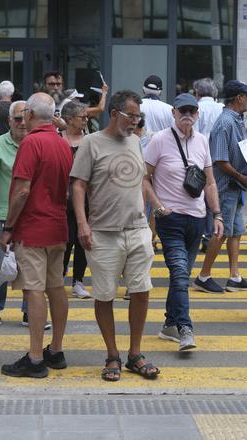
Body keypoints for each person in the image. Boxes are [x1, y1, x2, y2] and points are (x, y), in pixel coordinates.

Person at [71, 90, 160, 381]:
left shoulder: (135, 141)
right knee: (104, 295)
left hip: (137, 229)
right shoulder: (91, 143)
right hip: (103, 232)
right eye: (130, 116)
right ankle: (112, 354)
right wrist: (83, 225)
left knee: (141, 291)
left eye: (138, 117)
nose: (135, 122)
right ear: (114, 114)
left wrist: (154, 215)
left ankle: (135, 353)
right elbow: (79, 186)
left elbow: (142, 180)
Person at [0, 93, 73, 378]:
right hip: (57, 227)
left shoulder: (31, 142)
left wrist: (8, 228)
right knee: (56, 288)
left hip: (32, 228)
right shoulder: (61, 143)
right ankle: (56, 349)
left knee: (33, 291)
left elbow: (21, 191)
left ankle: (34, 356)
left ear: (29, 114)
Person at [144, 93, 223, 351]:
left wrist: (217, 215)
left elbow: (210, 181)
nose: (187, 114)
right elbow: (144, 178)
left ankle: (169, 324)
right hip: (171, 219)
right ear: (174, 113)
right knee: (179, 274)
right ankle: (185, 328)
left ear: (198, 114)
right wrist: (157, 207)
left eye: (192, 110)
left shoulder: (202, 141)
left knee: (182, 276)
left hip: (197, 219)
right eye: (182, 110)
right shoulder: (159, 140)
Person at [193, 80, 247, 293]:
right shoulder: (225, 123)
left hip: (236, 185)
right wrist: (242, 177)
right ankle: (204, 276)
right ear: (239, 98)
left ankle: (234, 276)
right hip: (226, 186)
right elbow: (220, 159)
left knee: (236, 231)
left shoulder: (237, 120)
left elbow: (244, 147)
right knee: (220, 232)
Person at [0, 100, 31, 325]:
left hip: (31, 216)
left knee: (31, 266)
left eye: (24, 118)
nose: (21, 123)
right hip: (2, 214)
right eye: (17, 119)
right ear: (9, 121)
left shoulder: (35, 143)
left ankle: (30, 311)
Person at [60, 100, 92, 299]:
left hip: (86, 199)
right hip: (61, 199)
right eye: (82, 117)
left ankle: (78, 281)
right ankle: (58, 279)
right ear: (69, 119)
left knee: (83, 241)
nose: (86, 120)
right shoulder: (57, 138)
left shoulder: (90, 140)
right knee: (64, 241)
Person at [192, 77, 224, 252]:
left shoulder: (196, 109)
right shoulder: (222, 109)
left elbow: (193, 134)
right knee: (215, 197)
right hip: (220, 160)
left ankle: (202, 234)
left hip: (199, 158)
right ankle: (211, 234)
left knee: (199, 197)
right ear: (215, 93)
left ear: (197, 93)